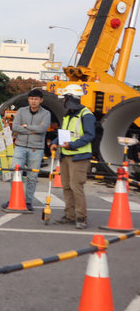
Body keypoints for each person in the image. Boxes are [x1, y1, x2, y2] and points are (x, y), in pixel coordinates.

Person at [50, 84, 96, 229]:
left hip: (79, 157)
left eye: (65, 98)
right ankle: (69, 215)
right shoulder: (68, 114)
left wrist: (73, 145)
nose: (63, 101)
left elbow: (90, 135)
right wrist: (55, 142)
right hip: (66, 155)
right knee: (67, 187)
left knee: (76, 187)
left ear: (70, 98)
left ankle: (81, 217)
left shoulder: (86, 115)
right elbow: (64, 132)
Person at [1, 89, 51, 211]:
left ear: (41, 100)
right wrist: (33, 129)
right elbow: (16, 127)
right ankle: (14, 198)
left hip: (36, 149)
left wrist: (26, 126)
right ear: (28, 100)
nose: (33, 101)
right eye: (31, 99)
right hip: (20, 146)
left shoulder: (46, 114)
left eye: (36, 99)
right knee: (15, 173)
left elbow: (43, 129)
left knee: (32, 176)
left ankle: (28, 201)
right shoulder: (21, 111)